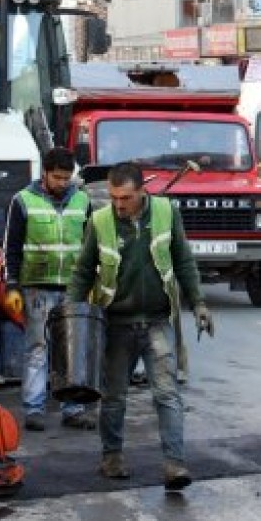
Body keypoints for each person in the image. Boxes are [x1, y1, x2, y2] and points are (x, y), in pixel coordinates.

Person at [66, 162, 211, 491]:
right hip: (116, 324)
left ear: (142, 191)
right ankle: (112, 457)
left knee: (166, 395)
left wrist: (199, 302)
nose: (119, 205)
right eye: (114, 197)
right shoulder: (100, 221)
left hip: (158, 321)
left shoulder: (166, 213)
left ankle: (175, 465)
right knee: (114, 397)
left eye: (126, 198)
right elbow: (82, 272)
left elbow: (184, 260)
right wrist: (72, 316)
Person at [1, 147, 96, 432]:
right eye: (57, 177)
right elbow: (11, 248)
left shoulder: (83, 201)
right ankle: (34, 408)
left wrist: (92, 283)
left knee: (72, 350)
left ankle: (74, 408)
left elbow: (91, 246)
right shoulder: (22, 201)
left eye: (67, 178)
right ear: (44, 173)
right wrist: (12, 286)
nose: (62, 183)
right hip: (36, 289)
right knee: (38, 348)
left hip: (73, 287)